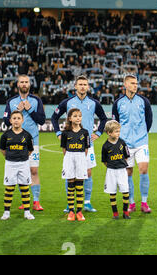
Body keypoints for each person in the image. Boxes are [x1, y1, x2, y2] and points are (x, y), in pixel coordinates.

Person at [51, 75, 108, 213]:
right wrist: (58, 133)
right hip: (70, 143)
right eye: (80, 84)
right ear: (75, 86)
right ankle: (69, 203)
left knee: (87, 173)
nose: (83, 86)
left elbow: (104, 118)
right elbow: (54, 117)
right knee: (70, 173)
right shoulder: (67, 102)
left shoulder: (94, 103)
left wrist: (99, 133)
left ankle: (87, 202)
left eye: (85, 84)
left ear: (88, 87)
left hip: (87, 144)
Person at [4, 74, 46, 211]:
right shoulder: (11, 101)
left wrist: (30, 109)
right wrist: (17, 111)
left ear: (29, 84)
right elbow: (5, 122)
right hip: (15, 142)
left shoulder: (36, 100)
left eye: (26, 82)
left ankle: (36, 201)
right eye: (21, 82)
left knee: (33, 170)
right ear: (17, 84)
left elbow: (41, 120)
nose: (24, 84)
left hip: (32, 141)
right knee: (21, 172)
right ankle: (25, 201)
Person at [112, 75, 153, 213]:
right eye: (132, 83)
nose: (135, 86)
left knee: (143, 169)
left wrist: (143, 133)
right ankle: (131, 203)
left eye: (136, 83)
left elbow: (149, 120)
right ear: (125, 85)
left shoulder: (144, 101)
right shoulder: (118, 103)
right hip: (125, 144)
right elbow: (115, 123)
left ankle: (144, 203)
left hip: (141, 142)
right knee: (128, 172)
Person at [0, 110, 35, 220]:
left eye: (18, 118)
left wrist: (22, 157)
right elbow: (2, 150)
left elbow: (30, 150)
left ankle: (27, 212)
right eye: (14, 118)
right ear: (10, 120)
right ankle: (6, 212)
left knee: (24, 187)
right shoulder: (5, 135)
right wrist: (11, 157)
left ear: (22, 120)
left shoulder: (27, 135)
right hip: (10, 164)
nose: (16, 120)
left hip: (23, 164)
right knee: (9, 188)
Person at [60, 108, 90, 221]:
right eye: (75, 116)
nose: (78, 118)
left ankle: (79, 211)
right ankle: (71, 211)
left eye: (79, 116)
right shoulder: (65, 133)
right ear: (70, 118)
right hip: (69, 157)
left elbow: (86, 149)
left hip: (81, 157)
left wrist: (80, 158)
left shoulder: (85, 132)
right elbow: (64, 149)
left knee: (79, 185)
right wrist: (69, 158)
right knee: (70, 185)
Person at [101, 120, 131, 220]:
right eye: (116, 131)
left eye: (119, 131)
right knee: (112, 192)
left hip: (122, 171)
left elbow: (126, 156)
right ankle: (115, 214)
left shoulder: (122, 143)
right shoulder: (105, 146)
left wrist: (120, 164)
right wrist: (112, 165)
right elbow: (104, 161)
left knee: (125, 191)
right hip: (111, 171)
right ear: (109, 133)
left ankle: (126, 212)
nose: (118, 133)